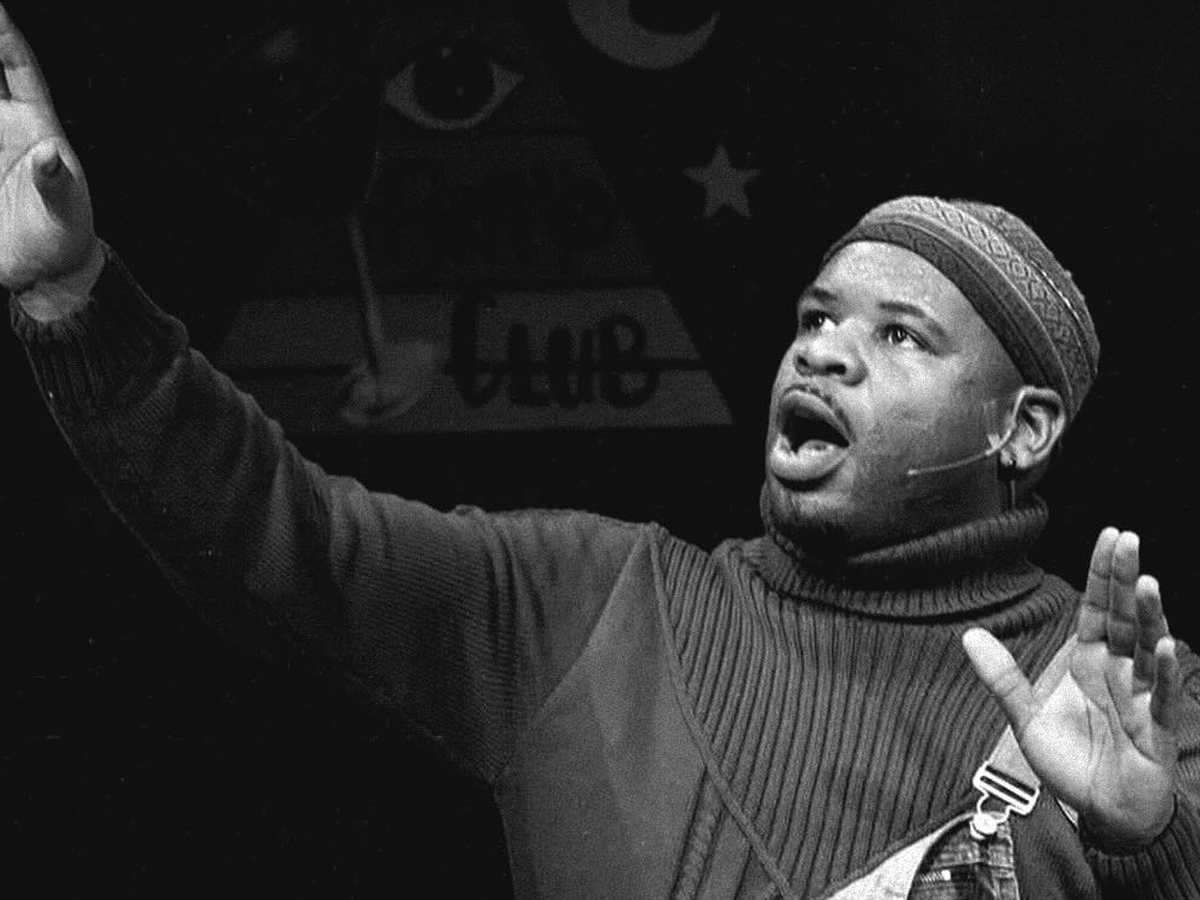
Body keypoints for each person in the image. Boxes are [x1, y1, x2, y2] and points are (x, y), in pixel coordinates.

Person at [3, 6, 1198, 898]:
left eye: (899, 336)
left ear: (1021, 428)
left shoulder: (1130, 698)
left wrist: (1141, 844)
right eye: (815, 320)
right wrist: (73, 298)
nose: (825, 353)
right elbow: (286, 536)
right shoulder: (589, 605)